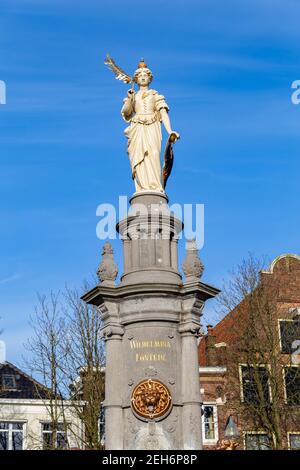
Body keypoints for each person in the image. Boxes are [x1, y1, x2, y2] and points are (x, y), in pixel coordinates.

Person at [121, 60, 179, 193]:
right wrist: (129, 99)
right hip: (137, 128)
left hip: (153, 126)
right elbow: (126, 112)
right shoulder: (133, 95)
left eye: (145, 75)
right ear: (136, 79)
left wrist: (170, 131)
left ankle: (156, 186)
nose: (142, 77)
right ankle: (142, 187)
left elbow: (163, 113)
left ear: (149, 78)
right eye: (139, 75)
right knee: (139, 159)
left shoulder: (156, 95)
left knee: (153, 154)